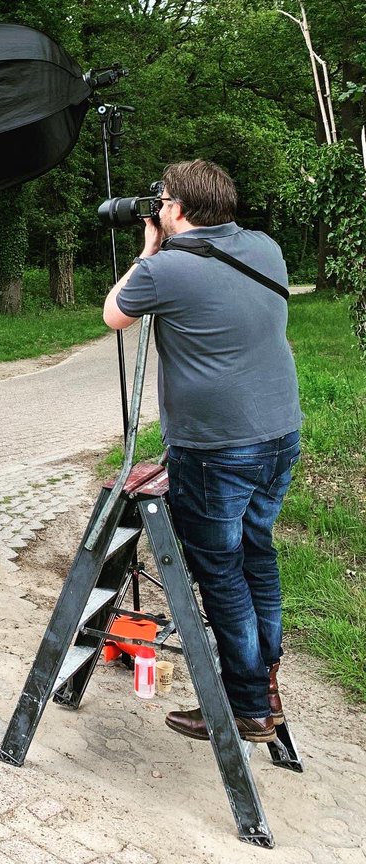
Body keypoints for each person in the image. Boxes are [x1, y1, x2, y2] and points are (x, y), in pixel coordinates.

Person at [103, 159, 302, 743]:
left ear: (177, 210)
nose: (158, 208)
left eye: (162, 201)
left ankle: (248, 708)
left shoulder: (165, 269)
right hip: (279, 434)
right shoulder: (264, 247)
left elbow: (114, 314)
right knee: (256, 554)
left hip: (217, 448)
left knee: (221, 572)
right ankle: (265, 686)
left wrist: (148, 251)